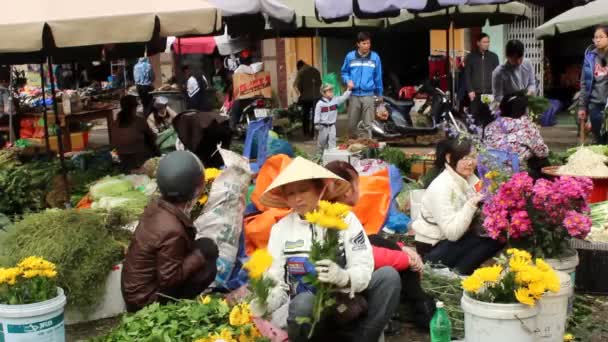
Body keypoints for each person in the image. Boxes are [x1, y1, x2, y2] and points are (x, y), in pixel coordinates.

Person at [258, 157, 401, 342]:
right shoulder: (281, 230)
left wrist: (344, 277)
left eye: (303, 190)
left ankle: (364, 337)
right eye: (291, 194)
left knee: (388, 277)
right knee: (303, 303)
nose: (298, 198)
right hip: (308, 313)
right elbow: (275, 278)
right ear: (285, 198)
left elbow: (363, 265)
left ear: (320, 189)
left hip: (348, 303)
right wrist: (266, 300)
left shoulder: (346, 220)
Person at [325, 161, 436, 330]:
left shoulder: (335, 212)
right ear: (348, 191)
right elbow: (366, 254)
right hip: (342, 286)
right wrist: (407, 259)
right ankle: (419, 307)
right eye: (358, 183)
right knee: (392, 272)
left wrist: (401, 248)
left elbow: (368, 241)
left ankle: (419, 303)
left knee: (377, 240)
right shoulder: (334, 218)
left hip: (346, 275)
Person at [122, 151, 219, 312]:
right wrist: (200, 255)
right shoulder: (172, 230)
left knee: (202, 247)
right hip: (144, 303)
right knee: (207, 260)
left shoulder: (157, 207)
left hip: (135, 291)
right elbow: (169, 280)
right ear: (196, 189)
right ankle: (171, 309)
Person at [412, 139, 503, 276]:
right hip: (434, 247)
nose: (470, 162)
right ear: (449, 158)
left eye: (473, 157)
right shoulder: (441, 187)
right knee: (491, 238)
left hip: (453, 239)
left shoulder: (469, 178)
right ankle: (458, 274)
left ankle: (461, 273)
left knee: (497, 234)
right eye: (464, 158)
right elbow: (452, 233)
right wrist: (471, 204)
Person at [484, 93, 549, 179]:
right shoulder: (526, 126)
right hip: (515, 173)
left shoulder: (490, 126)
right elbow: (542, 152)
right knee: (541, 161)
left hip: (490, 171)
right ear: (523, 110)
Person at [341, 32, 383, 138]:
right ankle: (353, 147)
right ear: (358, 44)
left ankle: (367, 149)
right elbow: (344, 72)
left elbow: (378, 77)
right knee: (351, 125)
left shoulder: (375, 57)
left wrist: (380, 94)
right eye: (364, 43)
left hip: (368, 95)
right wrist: (347, 81)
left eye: (368, 43)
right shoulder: (350, 56)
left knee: (368, 125)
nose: (367, 46)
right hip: (353, 95)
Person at [111, 95, 159, 173]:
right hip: (138, 155)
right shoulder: (139, 121)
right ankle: (150, 163)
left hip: (121, 155)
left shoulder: (116, 122)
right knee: (150, 141)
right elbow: (151, 137)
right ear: (134, 107)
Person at [578, 25, 608, 144]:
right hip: (595, 105)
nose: (598, 40)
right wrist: (582, 107)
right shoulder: (590, 58)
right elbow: (584, 84)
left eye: (601, 37)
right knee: (599, 141)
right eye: (596, 37)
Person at [464, 33, 499, 121]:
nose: (487, 44)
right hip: (475, 94)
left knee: (489, 117)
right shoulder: (471, 57)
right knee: (475, 118)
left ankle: (488, 134)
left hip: (489, 93)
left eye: (488, 42)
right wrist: (470, 90)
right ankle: (476, 134)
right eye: (484, 42)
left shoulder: (493, 57)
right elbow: (467, 75)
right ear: (478, 43)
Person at [314, 84, 352, 157]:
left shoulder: (335, 100)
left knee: (332, 142)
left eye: (332, 91)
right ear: (323, 93)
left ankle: (332, 157)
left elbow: (344, 97)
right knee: (321, 143)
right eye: (329, 91)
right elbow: (317, 115)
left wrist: (349, 89)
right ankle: (319, 156)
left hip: (332, 126)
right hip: (323, 126)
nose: (331, 92)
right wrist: (316, 124)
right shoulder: (320, 104)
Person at [294, 60, 322, 138]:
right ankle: (315, 132)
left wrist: (300, 94)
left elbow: (297, 86)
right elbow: (320, 83)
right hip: (316, 96)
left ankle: (306, 132)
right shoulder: (316, 70)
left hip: (305, 98)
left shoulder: (301, 72)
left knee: (305, 114)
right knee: (315, 114)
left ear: (299, 67)